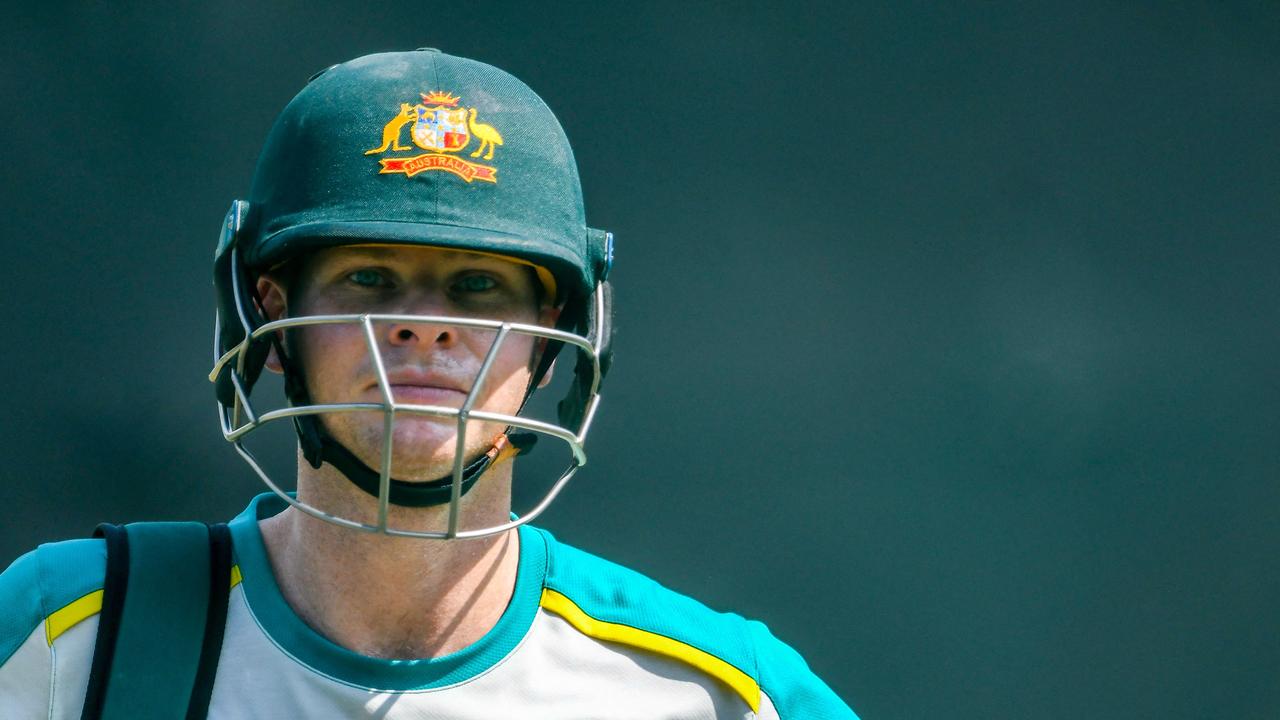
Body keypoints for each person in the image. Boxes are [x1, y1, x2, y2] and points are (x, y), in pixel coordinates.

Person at [0, 49, 858, 719]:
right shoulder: (68, 629)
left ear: (558, 337)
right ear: (266, 317)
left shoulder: (710, 694)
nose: (424, 328)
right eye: (369, 276)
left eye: (478, 286)